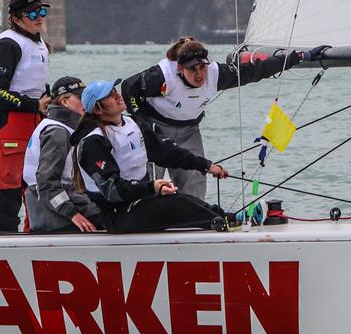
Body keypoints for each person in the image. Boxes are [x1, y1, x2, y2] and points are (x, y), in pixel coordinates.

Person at [121, 36, 328, 200]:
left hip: (188, 131)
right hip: (154, 129)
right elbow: (128, 88)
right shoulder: (162, 76)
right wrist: (141, 121)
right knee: (148, 182)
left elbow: (257, 70)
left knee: (195, 180)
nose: (199, 74)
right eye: (192, 69)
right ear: (180, 68)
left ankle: (190, 222)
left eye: (202, 66)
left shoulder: (215, 73)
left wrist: (300, 56)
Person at [71, 79, 233, 233]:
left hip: (140, 202)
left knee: (184, 199)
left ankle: (231, 219)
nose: (117, 95)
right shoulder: (93, 142)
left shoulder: (134, 124)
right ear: (98, 109)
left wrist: (206, 166)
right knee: (172, 203)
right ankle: (220, 224)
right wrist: (152, 187)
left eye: (115, 90)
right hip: (116, 215)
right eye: (109, 95)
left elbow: (168, 153)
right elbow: (112, 190)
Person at [0, 0, 53, 234]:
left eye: (41, 12)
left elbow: (37, 85)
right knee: (7, 194)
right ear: (16, 18)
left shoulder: (39, 42)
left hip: (36, 125)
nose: (39, 18)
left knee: (35, 191)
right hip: (10, 126)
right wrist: (32, 105)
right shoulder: (8, 43)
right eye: (32, 14)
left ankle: (32, 243)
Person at [23, 76, 101, 234]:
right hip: (57, 218)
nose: (86, 102)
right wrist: (72, 214)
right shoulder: (57, 132)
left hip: (57, 205)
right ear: (64, 102)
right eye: (80, 98)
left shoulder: (61, 126)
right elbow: (46, 184)